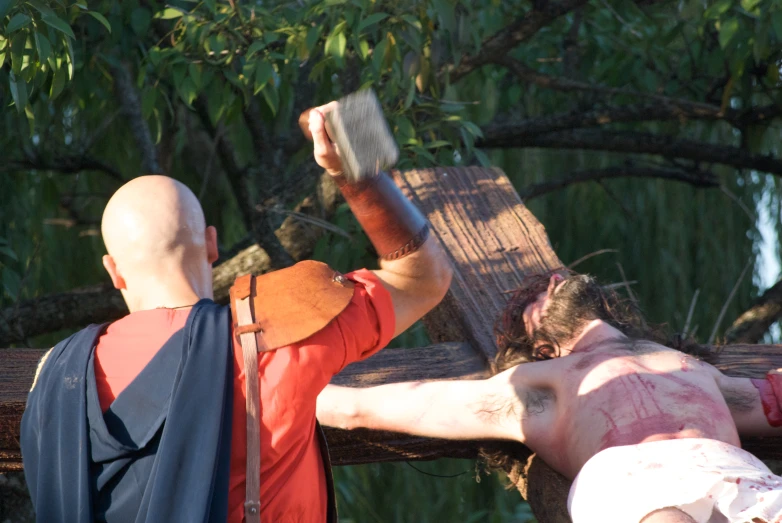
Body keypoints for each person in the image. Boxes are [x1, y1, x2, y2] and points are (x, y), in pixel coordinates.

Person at [20, 101, 453, 523]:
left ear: (113, 271)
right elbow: (423, 280)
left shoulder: (55, 374)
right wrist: (356, 159)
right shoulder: (278, 328)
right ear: (211, 243)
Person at [317, 271, 782, 523]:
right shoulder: (539, 385)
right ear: (541, 345)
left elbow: (770, 401)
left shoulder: (694, 368)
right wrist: (269, 389)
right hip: (635, 486)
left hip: (740, 477)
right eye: (539, 294)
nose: (555, 277)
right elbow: (364, 406)